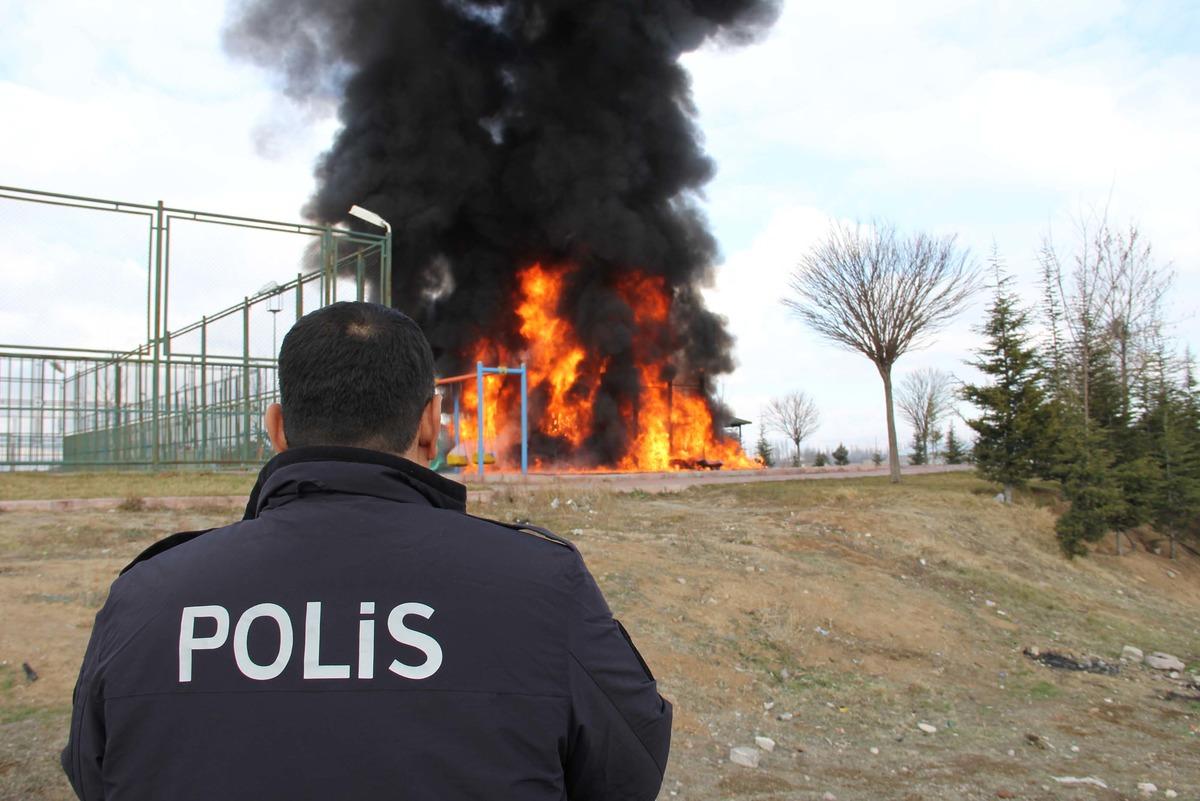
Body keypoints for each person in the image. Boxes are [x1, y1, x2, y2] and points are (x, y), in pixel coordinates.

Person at [62, 301, 671, 801]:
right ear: (432, 425)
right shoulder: (542, 586)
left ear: (276, 430)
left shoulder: (147, 598)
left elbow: (93, 772)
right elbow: (629, 769)